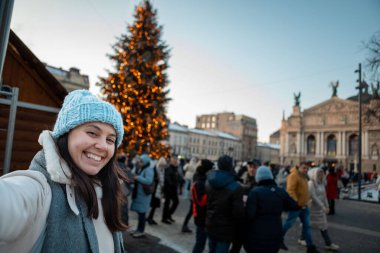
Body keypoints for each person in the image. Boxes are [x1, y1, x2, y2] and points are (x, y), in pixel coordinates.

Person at [0, 90, 126, 253]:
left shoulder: (107, 190)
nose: (103, 146)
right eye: (92, 133)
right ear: (66, 135)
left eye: (110, 140)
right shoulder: (39, 190)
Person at [244, 166, 298, 253]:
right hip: (275, 234)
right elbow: (294, 206)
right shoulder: (279, 191)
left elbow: (250, 215)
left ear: (258, 178)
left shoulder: (255, 192)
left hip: (256, 235)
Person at [206, 155, 245, 253]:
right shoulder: (236, 187)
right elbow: (238, 213)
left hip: (210, 223)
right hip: (225, 229)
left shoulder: (209, 181)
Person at [281, 161, 320, 253]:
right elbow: (290, 190)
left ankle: (310, 247)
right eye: (304, 168)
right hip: (296, 206)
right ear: (299, 167)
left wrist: (306, 202)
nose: (306, 170)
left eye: (307, 168)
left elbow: (304, 191)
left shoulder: (304, 176)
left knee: (307, 226)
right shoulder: (293, 176)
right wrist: (296, 203)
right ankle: (278, 238)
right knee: (289, 223)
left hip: (304, 206)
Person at [298, 168, 339, 251]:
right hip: (312, 208)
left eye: (321, 174)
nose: (320, 175)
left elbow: (324, 196)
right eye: (318, 174)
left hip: (319, 210)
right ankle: (302, 239)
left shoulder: (322, 183)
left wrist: (327, 206)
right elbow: (313, 196)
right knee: (307, 224)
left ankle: (328, 243)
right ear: (314, 174)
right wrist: (323, 207)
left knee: (323, 226)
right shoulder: (311, 183)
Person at [230, 159, 259, 253]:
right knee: (236, 245)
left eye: (254, 167)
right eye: (250, 167)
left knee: (250, 246)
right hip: (240, 217)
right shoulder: (241, 178)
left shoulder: (260, 182)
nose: (252, 169)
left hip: (252, 220)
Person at [191, 159, 214, 253]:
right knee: (200, 242)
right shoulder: (199, 182)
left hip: (206, 215)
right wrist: (212, 192)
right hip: (201, 216)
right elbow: (201, 201)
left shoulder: (204, 180)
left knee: (206, 242)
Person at [130, 154, 154, 238]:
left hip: (144, 196)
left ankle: (141, 230)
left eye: (141, 161)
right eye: (139, 160)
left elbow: (149, 181)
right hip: (139, 195)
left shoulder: (148, 169)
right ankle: (138, 229)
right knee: (140, 213)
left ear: (146, 162)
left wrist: (138, 178)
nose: (140, 162)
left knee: (142, 214)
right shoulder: (142, 168)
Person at [181, 157, 200, 233]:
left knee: (186, 186)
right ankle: (185, 226)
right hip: (194, 190)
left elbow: (184, 168)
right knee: (192, 210)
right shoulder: (196, 169)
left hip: (188, 177)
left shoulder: (189, 164)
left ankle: (185, 225)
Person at [147, 156, 167, 225]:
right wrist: (156, 179)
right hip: (154, 190)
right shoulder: (155, 169)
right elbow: (152, 179)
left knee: (155, 206)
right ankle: (149, 218)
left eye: (163, 165)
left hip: (159, 190)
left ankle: (150, 218)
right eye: (162, 165)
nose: (162, 166)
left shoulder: (163, 170)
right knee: (153, 205)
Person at [162, 155, 180, 224]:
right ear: (171, 161)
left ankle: (168, 215)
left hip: (173, 189)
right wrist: (172, 185)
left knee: (176, 202)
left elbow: (176, 177)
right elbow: (167, 179)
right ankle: (164, 218)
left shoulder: (175, 168)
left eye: (176, 160)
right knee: (167, 203)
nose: (175, 161)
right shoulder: (169, 168)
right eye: (174, 160)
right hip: (169, 189)